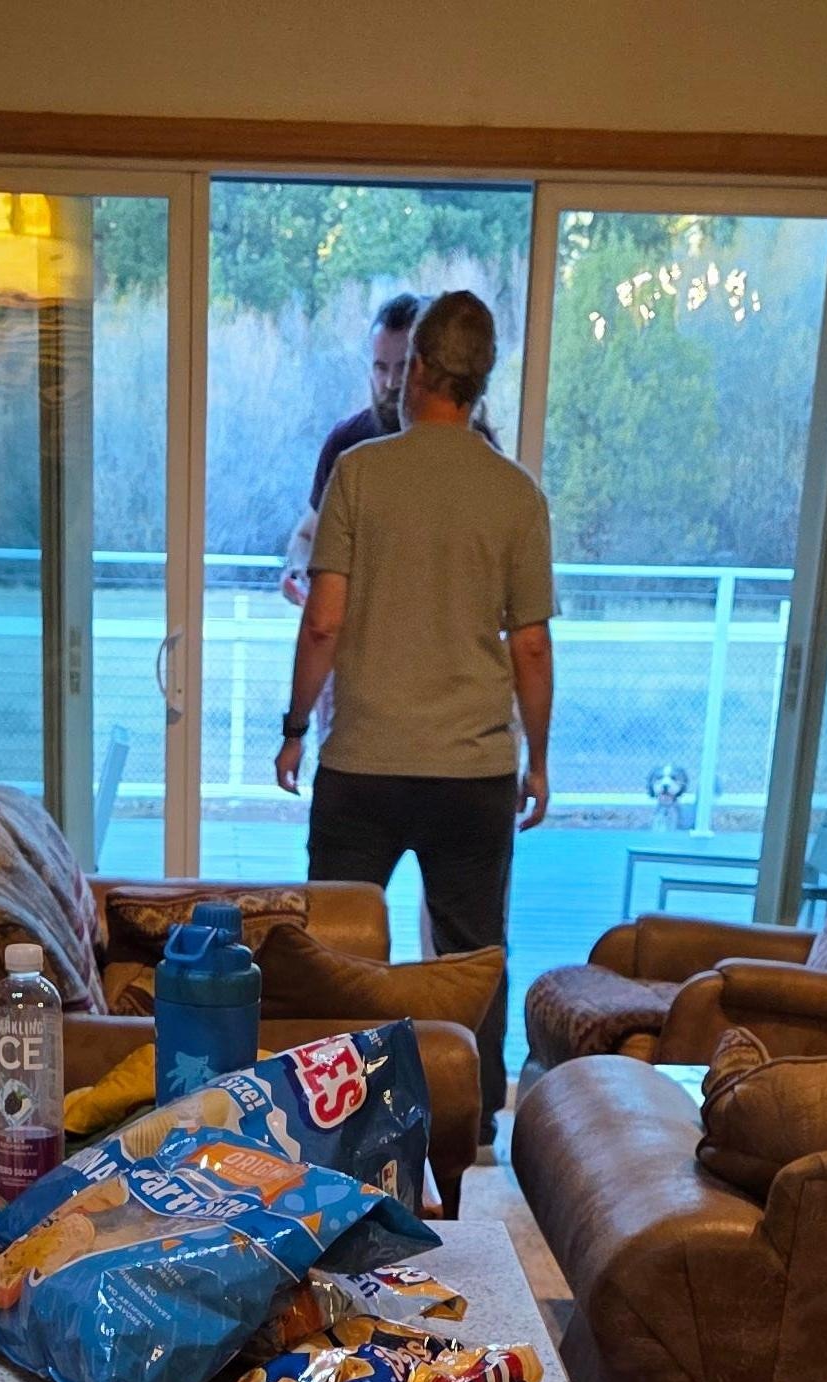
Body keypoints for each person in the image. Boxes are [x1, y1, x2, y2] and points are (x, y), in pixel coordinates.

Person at [273, 288, 552, 1132]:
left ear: (421, 368)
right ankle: (473, 1120)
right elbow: (531, 647)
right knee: (472, 955)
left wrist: (295, 728)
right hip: (473, 772)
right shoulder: (516, 495)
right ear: (480, 381)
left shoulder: (360, 474)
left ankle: (334, 1115)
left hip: (363, 764)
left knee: (335, 951)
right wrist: (538, 761)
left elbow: (323, 621)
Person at [278, 293, 420, 604]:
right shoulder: (346, 441)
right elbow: (306, 535)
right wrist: (300, 572)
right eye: (381, 368)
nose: (391, 383)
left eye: (404, 367)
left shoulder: (470, 447)